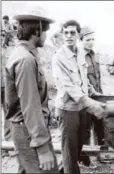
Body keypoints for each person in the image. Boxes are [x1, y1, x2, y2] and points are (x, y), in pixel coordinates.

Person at [4, 6, 59, 173]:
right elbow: (30, 106)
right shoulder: (25, 60)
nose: (46, 36)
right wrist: (42, 148)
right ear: (37, 31)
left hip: (26, 130)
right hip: (28, 132)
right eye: (45, 32)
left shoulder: (22, 54)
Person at [52, 20, 106, 174]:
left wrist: (93, 92)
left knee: (77, 148)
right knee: (69, 150)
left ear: (77, 35)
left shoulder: (80, 53)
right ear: (62, 34)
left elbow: (83, 78)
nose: (69, 36)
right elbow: (68, 86)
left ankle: (64, 170)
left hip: (82, 108)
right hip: (68, 109)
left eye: (73, 32)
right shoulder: (58, 58)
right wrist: (90, 103)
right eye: (66, 32)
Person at [80, 26, 104, 146]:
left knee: (100, 125)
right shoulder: (79, 56)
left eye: (92, 39)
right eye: (87, 40)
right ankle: (85, 157)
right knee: (85, 127)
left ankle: (101, 153)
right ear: (81, 40)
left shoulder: (94, 55)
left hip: (97, 95)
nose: (91, 42)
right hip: (85, 97)